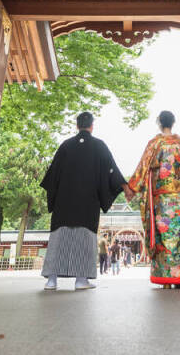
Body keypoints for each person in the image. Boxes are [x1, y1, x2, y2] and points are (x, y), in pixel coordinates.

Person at [40, 112, 132, 290]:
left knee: (60, 238)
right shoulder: (99, 146)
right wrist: (125, 187)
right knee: (83, 239)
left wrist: (55, 198)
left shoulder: (65, 146)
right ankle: (81, 280)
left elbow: (52, 177)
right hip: (87, 204)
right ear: (92, 126)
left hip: (63, 204)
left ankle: (51, 280)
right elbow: (111, 169)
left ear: (77, 126)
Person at [127, 111, 180, 289]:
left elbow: (143, 167)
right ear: (174, 122)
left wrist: (131, 188)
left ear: (158, 123)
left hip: (161, 199)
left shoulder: (154, 144)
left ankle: (165, 279)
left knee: (163, 235)